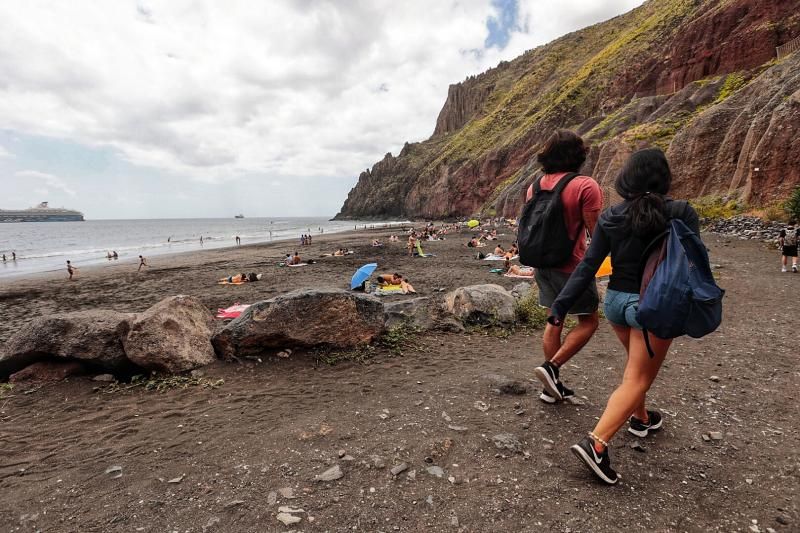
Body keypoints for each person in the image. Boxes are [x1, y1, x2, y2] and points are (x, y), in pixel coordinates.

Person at [547, 148, 701, 485]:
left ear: (627, 178)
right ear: (664, 178)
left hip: (616, 303)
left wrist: (560, 304)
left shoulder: (611, 216)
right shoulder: (680, 212)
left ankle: (641, 419)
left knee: (635, 367)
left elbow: (588, 265)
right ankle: (596, 444)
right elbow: (693, 264)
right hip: (653, 306)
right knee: (638, 377)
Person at [529, 130, 603, 405]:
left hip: (542, 265)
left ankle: (551, 387)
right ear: (578, 155)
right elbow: (597, 233)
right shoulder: (585, 185)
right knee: (590, 320)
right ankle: (552, 368)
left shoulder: (535, 185)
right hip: (572, 267)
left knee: (554, 318)